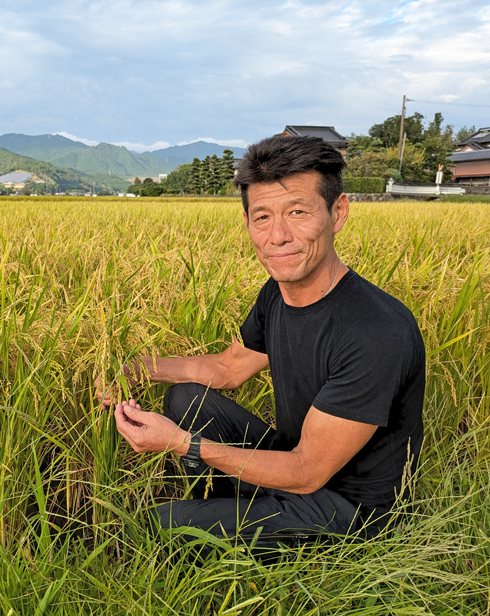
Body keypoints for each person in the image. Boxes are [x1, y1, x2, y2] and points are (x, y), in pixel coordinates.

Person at [95, 135, 425, 547]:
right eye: (262, 217)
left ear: (337, 212)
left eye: (298, 212)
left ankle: (218, 523)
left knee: (162, 524)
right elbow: (227, 368)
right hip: (291, 460)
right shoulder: (277, 293)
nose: (278, 236)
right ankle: (224, 509)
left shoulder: (375, 331)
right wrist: (132, 369)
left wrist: (182, 444)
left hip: (350, 509)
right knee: (185, 398)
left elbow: (307, 471)